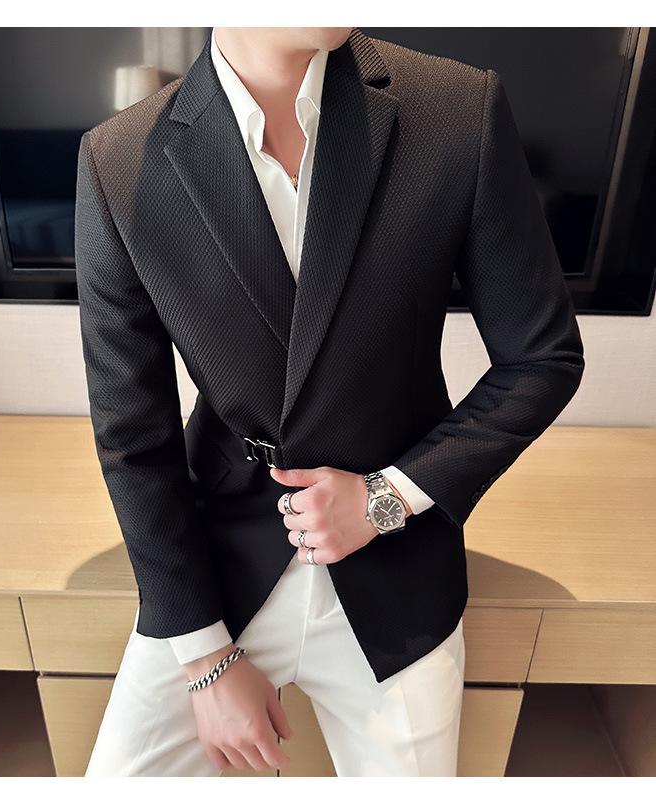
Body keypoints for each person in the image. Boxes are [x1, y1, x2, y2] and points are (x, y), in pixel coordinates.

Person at [75, 27, 585, 776]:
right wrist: (207, 658)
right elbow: (133, 436)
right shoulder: (119, 159)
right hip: (220, 566)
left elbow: (542, 358)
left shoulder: (455, 110)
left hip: (398, 564)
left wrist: (385, 499)